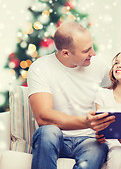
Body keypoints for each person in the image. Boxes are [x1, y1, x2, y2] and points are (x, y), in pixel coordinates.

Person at [27, 21, 115, 169]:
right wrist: (85, 122)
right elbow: (43, 117)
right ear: (66, 52)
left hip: (90, 140)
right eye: (86, 50)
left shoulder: (99, 66)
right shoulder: (40, 68)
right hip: (58, 138)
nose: (93, 53)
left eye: (91, 47)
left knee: (97, 148)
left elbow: (118, 96)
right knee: (48, 131)